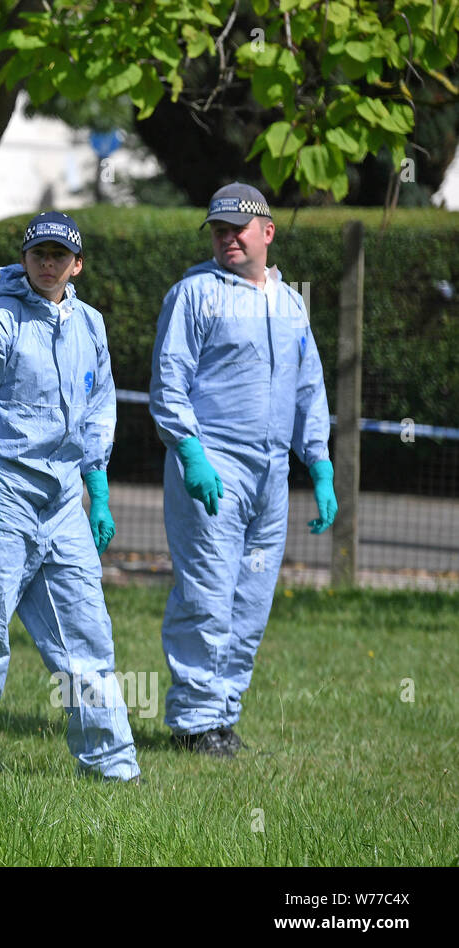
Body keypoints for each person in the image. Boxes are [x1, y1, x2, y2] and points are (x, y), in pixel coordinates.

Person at [0, 211, 141, 782]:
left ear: (77, 264)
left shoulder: (91, 325)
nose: (48, 264)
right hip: (3, 495)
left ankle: (112, 766)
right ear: (24, 259)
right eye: (39, 254)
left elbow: (99, 409)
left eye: (59, 256)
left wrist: (97, 487)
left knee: (87, 635)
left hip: (65, 502)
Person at [150, 183, 335, 758]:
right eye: (218, 229)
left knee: (251, 598)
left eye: (237, 228)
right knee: (207, 593)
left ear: (267, 232)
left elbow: (309, 386)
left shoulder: (289, 302)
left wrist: (320, 461)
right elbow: (169, 380)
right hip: (213, 467)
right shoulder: (194, 294)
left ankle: (224, 714)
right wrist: (191, 452)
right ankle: (193, 722)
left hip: (272, 475)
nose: (227, 237)